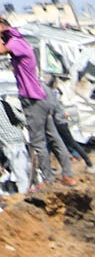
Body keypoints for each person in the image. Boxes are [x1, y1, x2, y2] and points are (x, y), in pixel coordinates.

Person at [1, 18, 74, 186]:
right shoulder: (21, 43)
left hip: (32, 98)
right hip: (40, 97)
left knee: (38, 141)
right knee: (54, 137)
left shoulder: (16, 43)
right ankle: (68, 174)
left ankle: (47, 180)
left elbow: (2, 50)